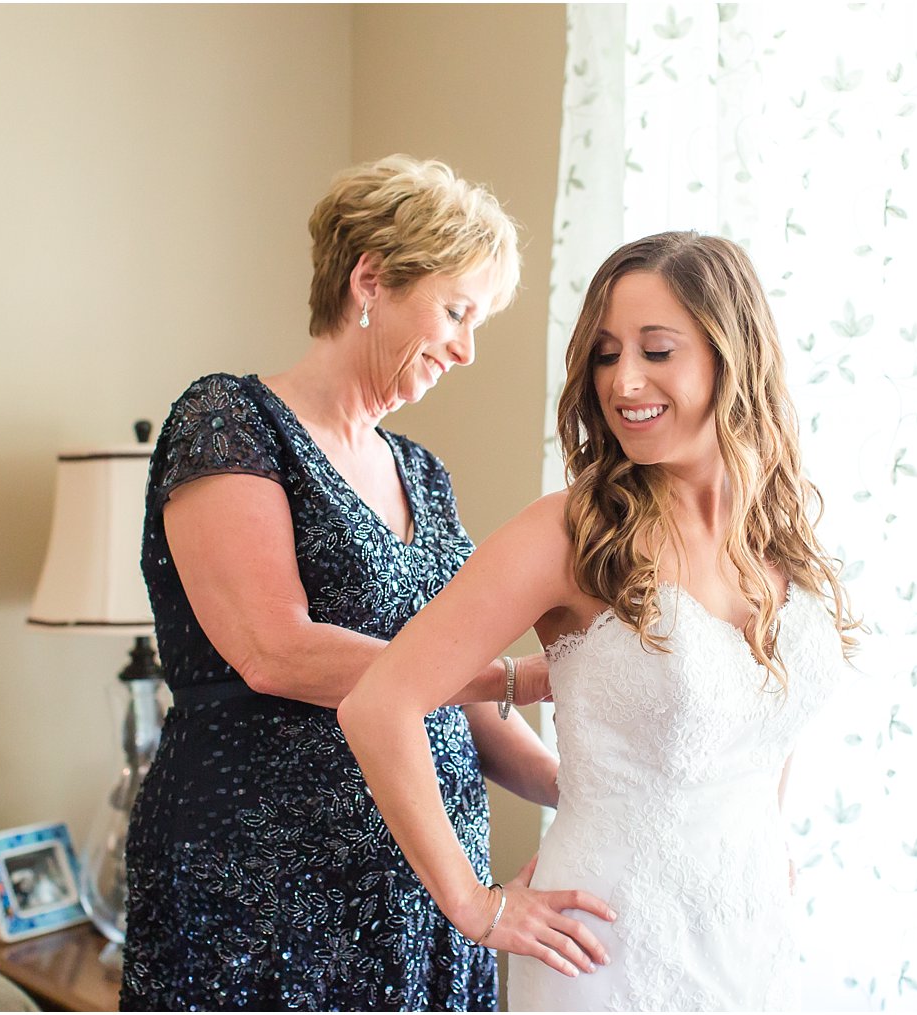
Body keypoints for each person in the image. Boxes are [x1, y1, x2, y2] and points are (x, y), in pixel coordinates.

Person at [339, 231, 862, 1010]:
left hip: (752, 946)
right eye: (607, 354)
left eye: (657, 350)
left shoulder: (780, 536)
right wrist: (474, 903)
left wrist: (766, 854)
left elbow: (763, 727)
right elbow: (379, 704)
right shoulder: (572, 532)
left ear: (735, 355)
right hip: (605, 953)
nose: (624, 381)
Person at [121, 155, 576, 1012]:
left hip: (426, 891)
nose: (466, 349)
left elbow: (464, 710)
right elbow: (274, 649)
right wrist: (512, 674)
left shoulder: (425, 476)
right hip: (262, 892)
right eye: (455, 311)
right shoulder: (230, 422)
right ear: (370, 278)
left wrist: (593, 785)